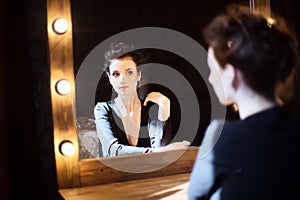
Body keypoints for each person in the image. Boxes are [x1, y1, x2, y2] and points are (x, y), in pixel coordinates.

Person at [188, 4, 300, 200]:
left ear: (231, 74)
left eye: (213, 71)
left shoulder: (220, 137)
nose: (211, 79)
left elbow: (195, 194)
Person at [94, 42, 190, 157]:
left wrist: (165, 110)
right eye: (116, 74)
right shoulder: (102, 109)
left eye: (129, 72)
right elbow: (114, 151)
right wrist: (164, 151)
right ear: (109, 78)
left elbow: (159, 153)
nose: (122, 80)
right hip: (113, 174)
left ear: (138, 75)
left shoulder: (150, 108)